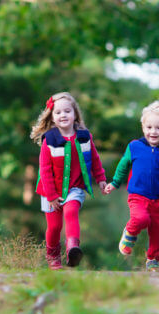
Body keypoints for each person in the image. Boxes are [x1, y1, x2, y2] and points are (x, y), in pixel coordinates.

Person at [104, 101, 159, 271]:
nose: (153, 132)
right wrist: (115, 182)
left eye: (158, 128)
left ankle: (153, 260)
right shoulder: (134, 147)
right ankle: (130, 232)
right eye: (149, 127)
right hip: (138, 196)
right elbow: (123, 165)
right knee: (141, 219)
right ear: (143, 127)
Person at [31, 92, 107, 270]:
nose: (63, 115)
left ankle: (73, 249)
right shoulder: (49, 140)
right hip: (50, 191)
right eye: (58, 112)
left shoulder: (84, 137)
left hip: (75, 187)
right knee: (55, 227)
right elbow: (45, 170)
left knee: (71, 211)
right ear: (52, 117)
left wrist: (101, 179)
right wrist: (51, 195)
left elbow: (95, 159)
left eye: (67, 111)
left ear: (75, 115)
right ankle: (53, 256)